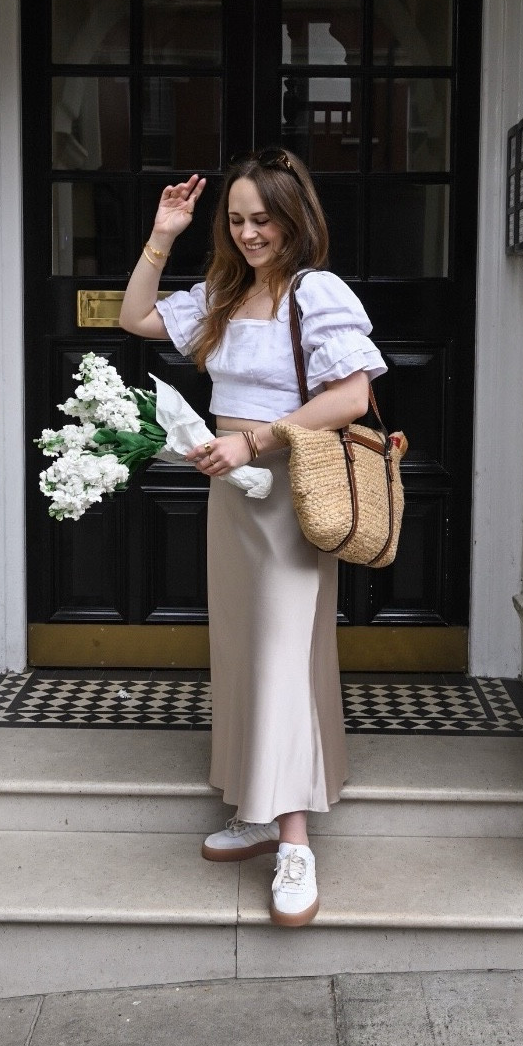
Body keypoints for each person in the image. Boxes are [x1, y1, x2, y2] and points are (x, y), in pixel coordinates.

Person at [119, 148, 386, 926]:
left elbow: (353, 394)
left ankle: (293, 840)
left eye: (261, 219)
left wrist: (255, 440)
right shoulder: (224, 294)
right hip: (232, 495)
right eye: (235, 220)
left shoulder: (317, 292)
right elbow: (137, 318)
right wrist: (164, 233)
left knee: (280, 655)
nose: (248, 233)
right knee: (240, 649)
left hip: (288, 491)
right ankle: (256, 804)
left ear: (292, 217)